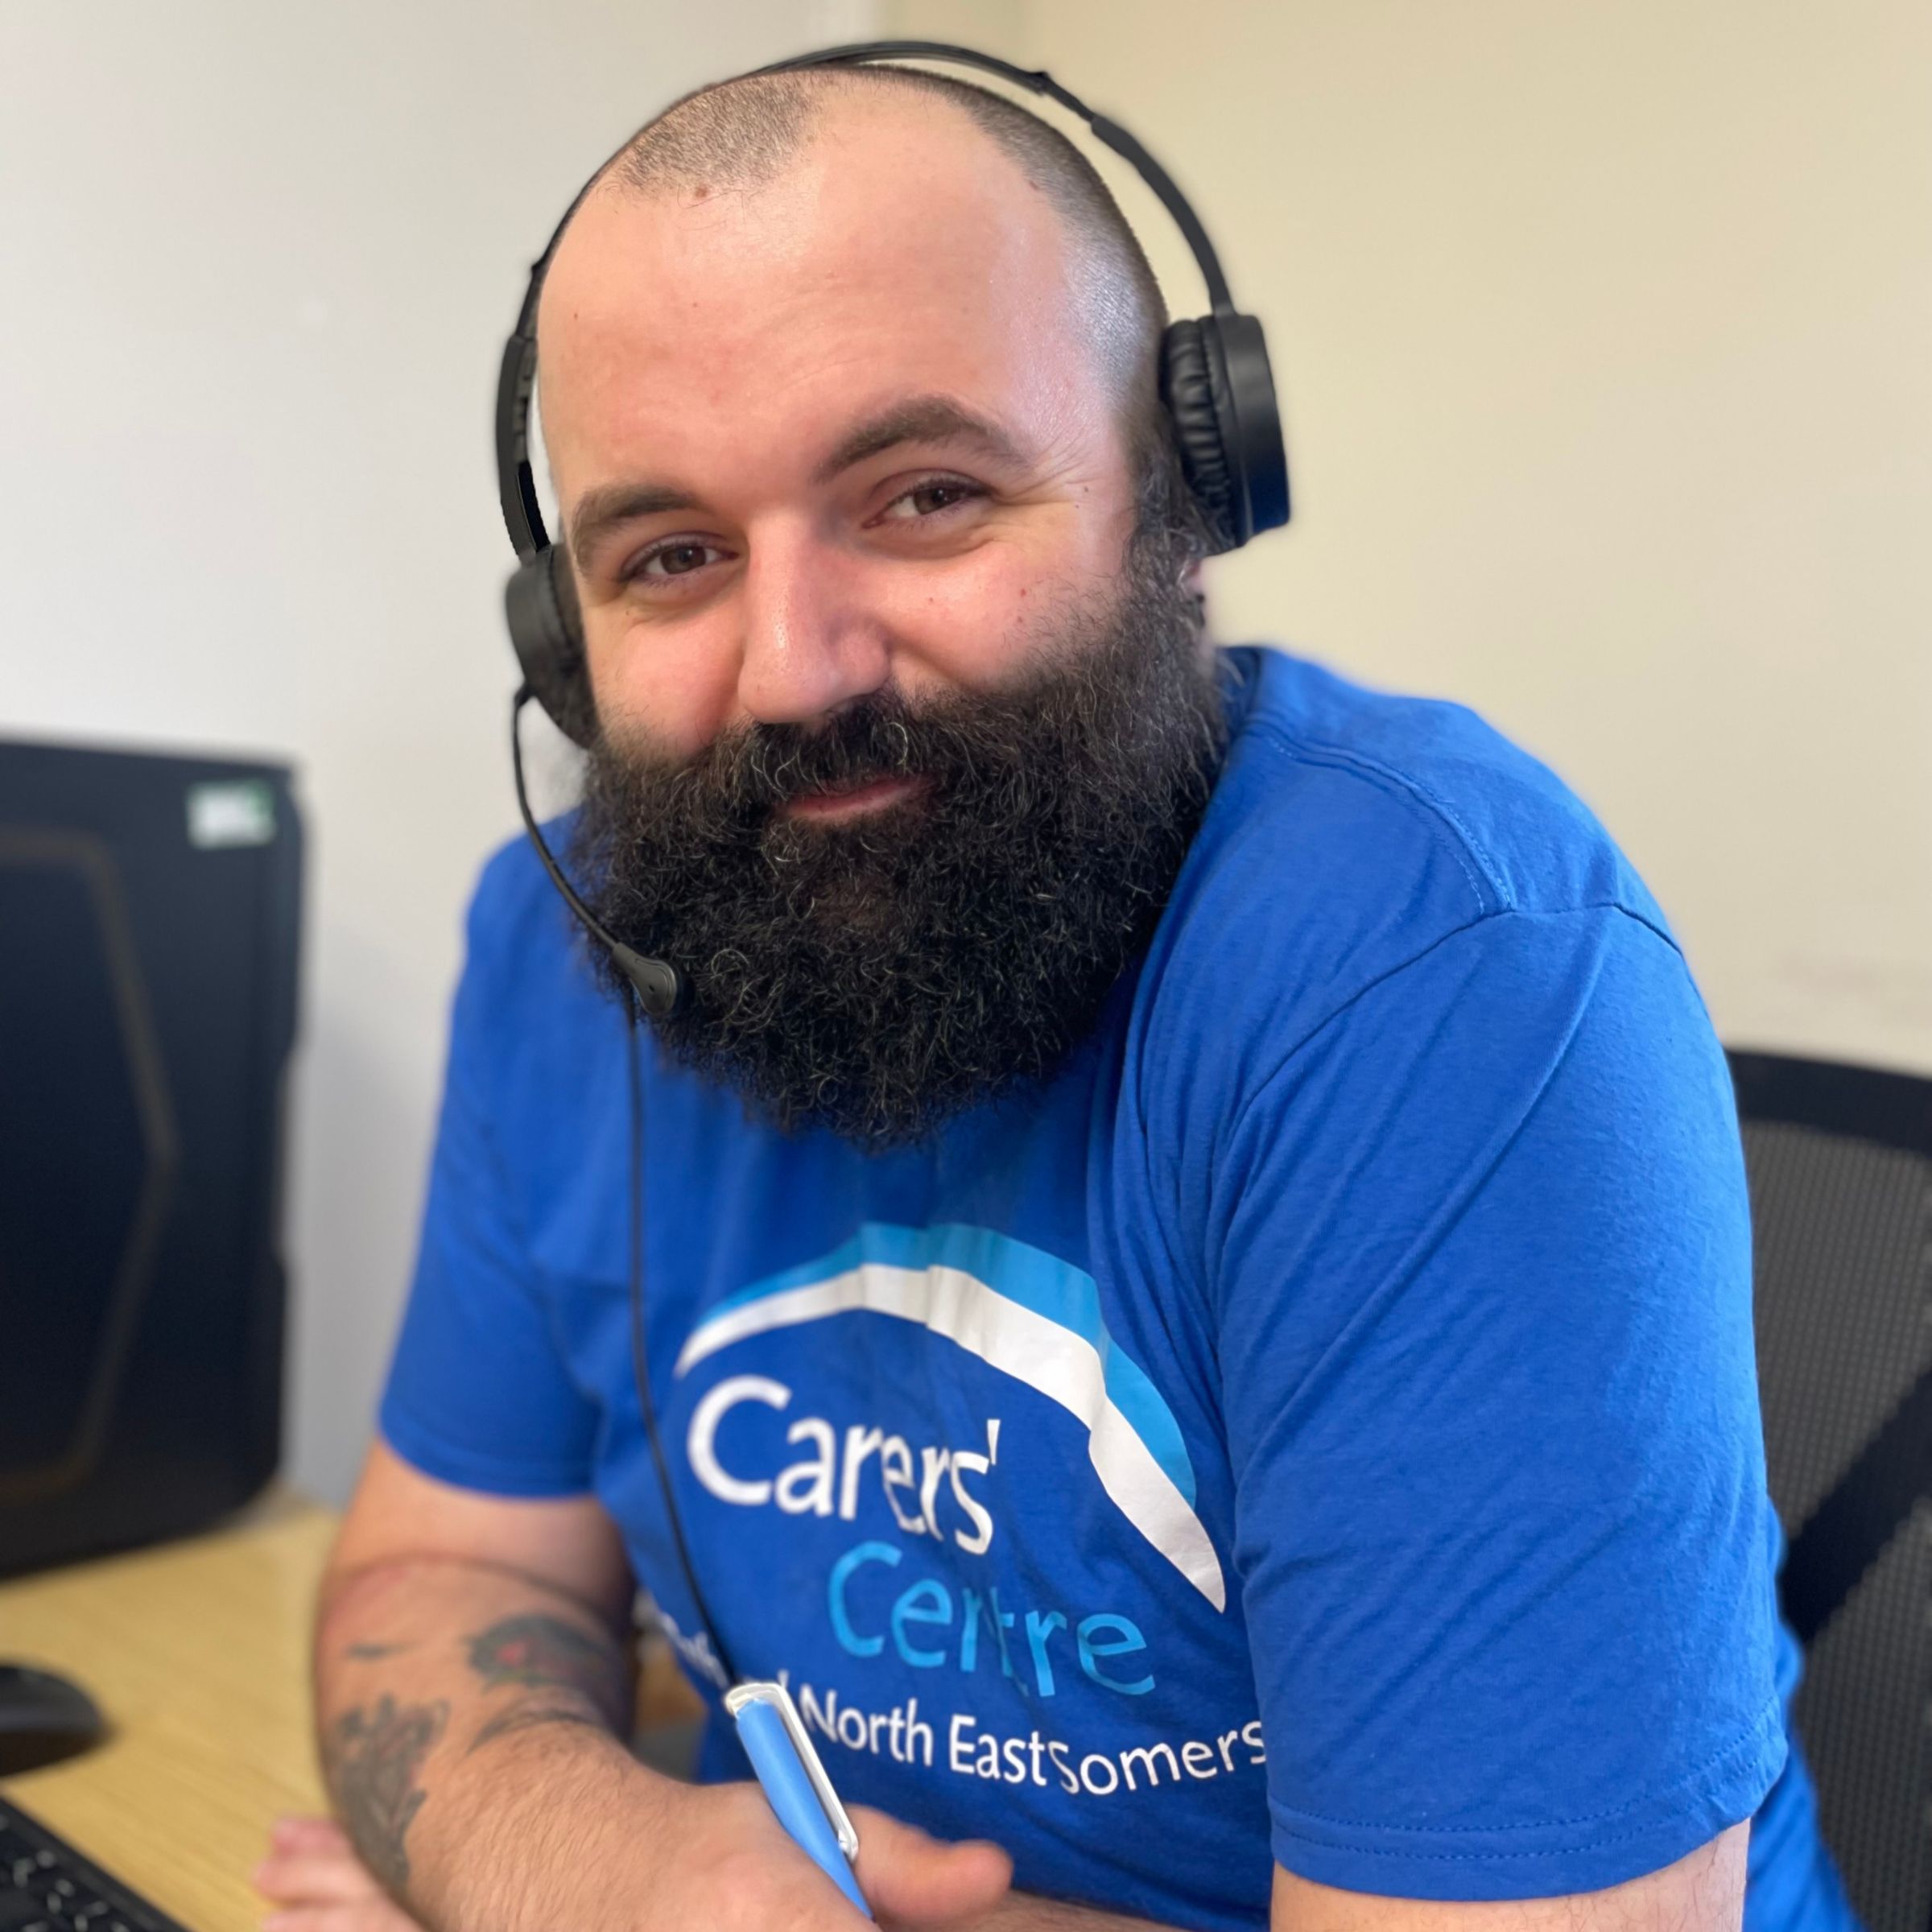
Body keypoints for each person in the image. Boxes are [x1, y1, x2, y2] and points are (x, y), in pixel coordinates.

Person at [253, 52, 1856, 1932]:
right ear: (563, 636)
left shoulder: (1440, 970)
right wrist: (576, 1863)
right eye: (672, 555)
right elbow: (440, 1580)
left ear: (1180, 501)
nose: (792, 667)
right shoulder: (561, 949)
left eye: (924, 494)